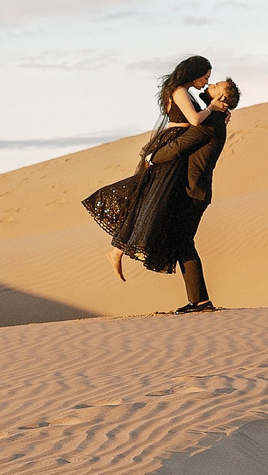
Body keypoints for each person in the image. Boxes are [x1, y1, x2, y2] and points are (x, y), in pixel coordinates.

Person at [97, 56, 239, 312]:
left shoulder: (208, 126)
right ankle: (199, 300)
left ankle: (200, 300)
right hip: (192, 190)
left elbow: (177, 146)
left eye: (214, 86)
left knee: (174, 233)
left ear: (223, 99)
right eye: (208, 80)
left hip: (192, 192)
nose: (208, 86)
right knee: (174, 234)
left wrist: (153, 157)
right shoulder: (212, 119)